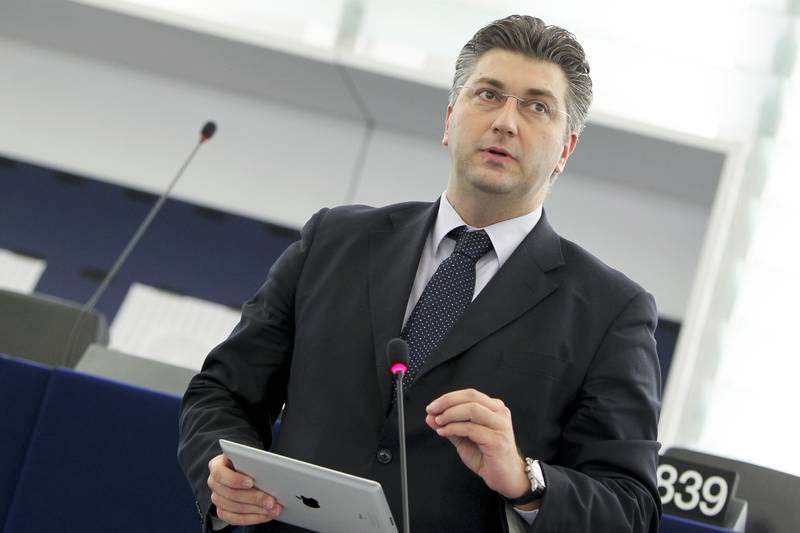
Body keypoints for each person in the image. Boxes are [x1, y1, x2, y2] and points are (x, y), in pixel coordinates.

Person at [178, 14, 662, 533]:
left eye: (537, 106)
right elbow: (222, 391)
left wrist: (527, 480)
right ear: (450, 118)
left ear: (565, 148)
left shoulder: (611, 312)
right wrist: (222, 471)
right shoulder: (334, 240)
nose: (505, 122)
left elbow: (630, 509)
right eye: (488, 94)